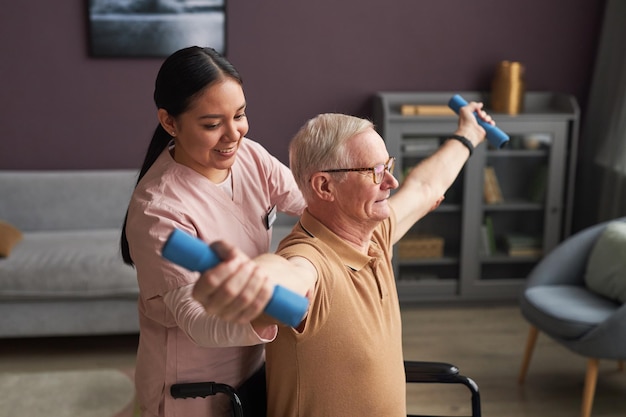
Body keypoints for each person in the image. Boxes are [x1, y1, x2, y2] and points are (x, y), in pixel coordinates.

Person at [190, 102, 492, 416]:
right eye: (375, 172)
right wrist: (255, 282)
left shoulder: (373, 234)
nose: (391, 182)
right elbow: (289, 275)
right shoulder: (309, 258)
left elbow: (426, 186)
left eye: (387, 166)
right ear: (325, 185)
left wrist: (469, 132)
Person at [120, 46, 306, 417]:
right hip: (191, 389)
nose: (232, 134)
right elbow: (197, 321)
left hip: (254, 365)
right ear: (170, 122)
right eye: (211, 124)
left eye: (240, 115)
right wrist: (270, 308)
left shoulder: (251, 157)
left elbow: (310, 206)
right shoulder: (158, 210)